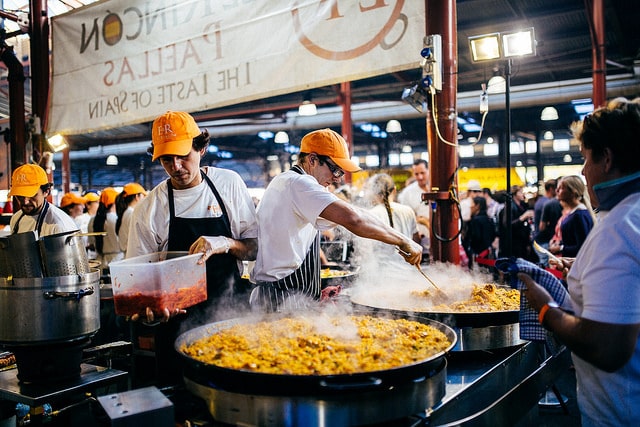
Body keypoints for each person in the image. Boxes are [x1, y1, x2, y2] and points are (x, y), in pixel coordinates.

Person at [517, 97, 640, 426]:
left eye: (586, 159)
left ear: (607, 159)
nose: (584, 172)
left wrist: (545, 309)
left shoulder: (618, 229)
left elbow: (606, 348)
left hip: (621, 413)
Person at [125, 111, 258, 386]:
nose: (176, 166)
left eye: (183, 155)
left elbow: (255, 249)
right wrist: (149, 310)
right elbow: (136, 287)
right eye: (166, 159)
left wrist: (226, 243)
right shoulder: (150, 208)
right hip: (175, 328)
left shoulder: (229, 184)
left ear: (202, 148)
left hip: (231, 317)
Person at [250, 128, 422, 312]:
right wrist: (403, 241)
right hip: (280, 300)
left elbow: (355, 214)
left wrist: (315, 294)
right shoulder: (297, 183)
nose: (336, 179)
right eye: (335, 170)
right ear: (312, 160)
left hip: (292, 296)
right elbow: (354, 219)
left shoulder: (294, 184)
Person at [363, 173, 420, 264]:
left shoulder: (372, 214)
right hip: (407, 269)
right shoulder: (408, 210)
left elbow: (366, 249)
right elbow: (416, 239)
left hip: (382, 271)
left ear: (374, 192)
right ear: (394, 190)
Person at [8, 164, 78, 236]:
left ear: (46, 192)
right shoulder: (16, 218)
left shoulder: (59, 225)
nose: (25, 201)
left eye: (32, 195)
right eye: (20, 196)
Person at [548, 175, 595, 257]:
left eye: (562, 188)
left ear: (573, 192)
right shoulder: (575, 213)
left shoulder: (579, 215)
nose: (557, 190)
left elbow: (582, 246)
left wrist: (560, 248)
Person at [397, 158, 431, 261]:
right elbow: (405, 219)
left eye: (423, 173)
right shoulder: (408, 193)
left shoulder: (437, 187)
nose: (420, 177)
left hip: (440, 241)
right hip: (420, 245)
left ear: (429, 170)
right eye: (416, 174)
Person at [88, 187, 123, 273]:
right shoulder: (116, 220)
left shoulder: (93, 220)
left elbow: (91, 243)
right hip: (117, 262)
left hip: (100, 263)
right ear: (115, 202)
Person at [499, 185, 536, 261]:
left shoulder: (521, 205)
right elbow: (507, 224)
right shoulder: (510, 206)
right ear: (515, 194)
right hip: (514, 243)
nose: (523, 194)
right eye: (521, 192)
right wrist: (522, 217)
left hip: (521, 242)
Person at [533, 179, 563, 266]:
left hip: (542, 240)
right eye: (557, 188)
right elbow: (542, 226)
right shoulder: (548, 203)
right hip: (545, 241)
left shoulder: (541, 201)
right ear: (551, 189)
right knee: (547, 266)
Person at [462, 196, 496, 270]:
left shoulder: (476, 220)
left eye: (472, 204)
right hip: (487, 253)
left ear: (478, 206)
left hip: (478, 254)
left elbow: (475, 237)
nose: (470, 207)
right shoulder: (489, 219)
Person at [116, 182, 147, 253]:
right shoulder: (132, 213)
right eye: (143, 196)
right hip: (133, 255)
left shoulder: (127, 212)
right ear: (137, 197)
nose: (145, 199)